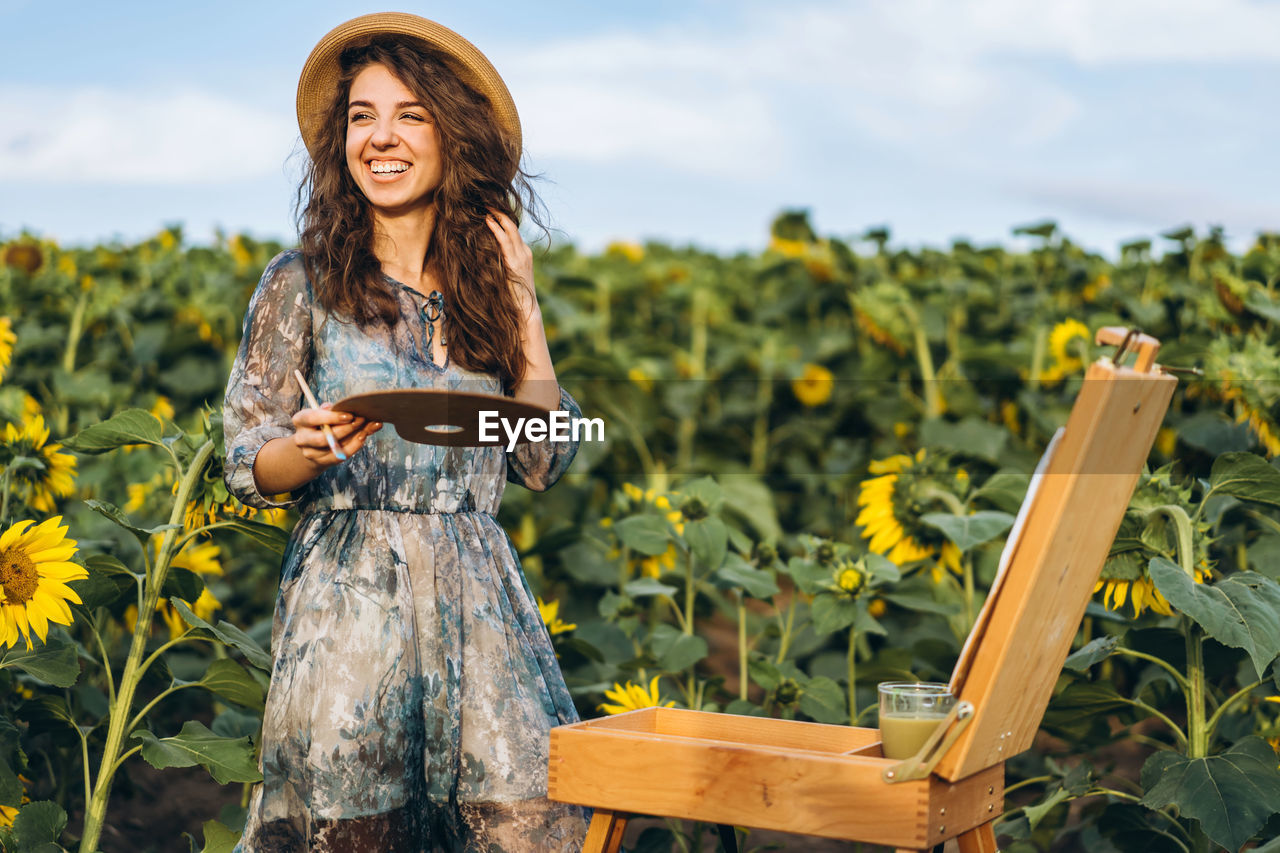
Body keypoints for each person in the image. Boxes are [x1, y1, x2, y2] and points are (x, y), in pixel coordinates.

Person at [222, 13, 588, 852]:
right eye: (362, 116)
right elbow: (247, 459)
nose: (380, 137)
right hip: (349, 613)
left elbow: (540, 456)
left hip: (482, 612)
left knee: (531, 823)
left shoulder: (488, 295)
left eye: (409, 115)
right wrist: (304, 449)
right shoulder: (302, 283)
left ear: (452, 137)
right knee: (353, 829)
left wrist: (524, 305)